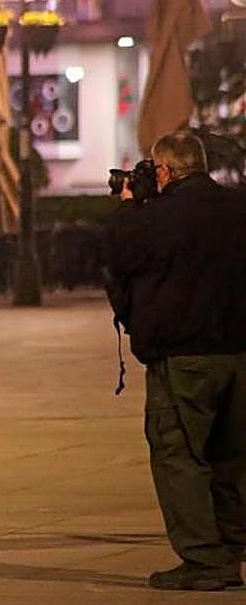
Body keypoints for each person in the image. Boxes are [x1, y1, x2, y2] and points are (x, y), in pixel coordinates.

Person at [106, 131, 246, 591]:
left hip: (183, 357)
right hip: (239, 353)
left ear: (164, 170)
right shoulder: (238, 207)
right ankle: (231, 547)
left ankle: (205, 559)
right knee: (231, 455)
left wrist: (129, 205)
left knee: (180, 453)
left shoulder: (155, 218)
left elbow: (119, 255)